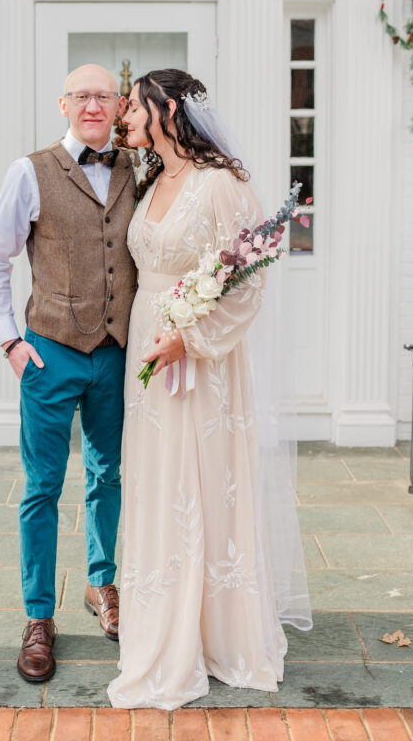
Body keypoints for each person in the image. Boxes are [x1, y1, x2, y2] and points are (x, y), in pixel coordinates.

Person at [107, 68, 311, 710]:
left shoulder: (222, 183)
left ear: (168, 110)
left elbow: (248, 279)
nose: (125, 118)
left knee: (201, 480)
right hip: (148, 342)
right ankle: (166, 623)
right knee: (158, 482)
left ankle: (218, 634)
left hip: (201, 355)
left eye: (135, 108)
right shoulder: (150, 180)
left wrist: (189, 338)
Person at [0, 64, 137, 684]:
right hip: (49, 351)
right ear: (63, 103)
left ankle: (102, 584)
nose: (93, 104)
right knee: (42, 486)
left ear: (119, 106)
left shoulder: (137, 171)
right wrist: (10, 343)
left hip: (116, 353)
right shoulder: (30, 171)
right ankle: (39, 615)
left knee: (107, 474)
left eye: (104, 95)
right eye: (82, 95)